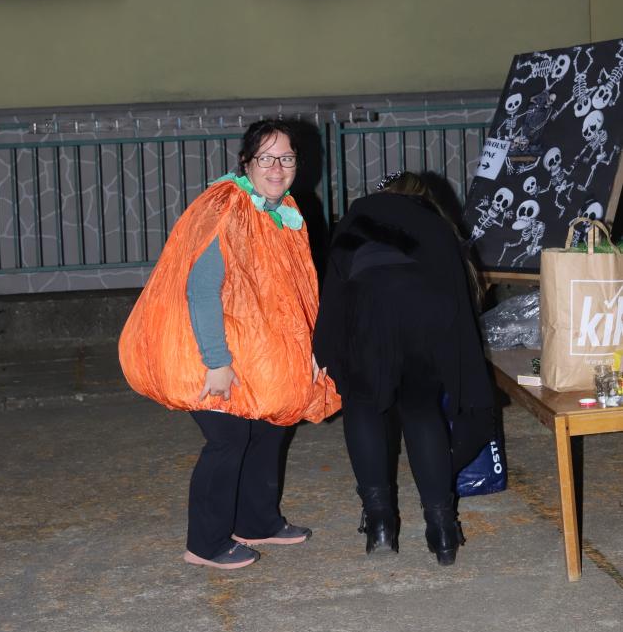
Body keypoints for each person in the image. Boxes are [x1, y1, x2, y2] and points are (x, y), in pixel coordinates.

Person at [119, 119, 340, 570]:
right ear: (246, 162)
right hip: (206, 349)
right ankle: (205, 544)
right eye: (266, 158)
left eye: (286, 158)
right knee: (229, 439)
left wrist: (311, 350)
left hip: (254, 349)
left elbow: (290, 292)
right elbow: (201, 290)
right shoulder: (226, 209)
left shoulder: (282, 210)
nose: (276, 168)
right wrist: (216, 362)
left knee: (270, 426)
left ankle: (256, 521)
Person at [313, 171, 494, 566]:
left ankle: (380, 522)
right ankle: (442, 529)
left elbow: (336, 284)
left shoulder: (361, 212)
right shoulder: (435, 222)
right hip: (425, 315)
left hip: (368, 307)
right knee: (420, 407)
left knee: (363, 403)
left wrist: (323, 349)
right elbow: (456, 294)